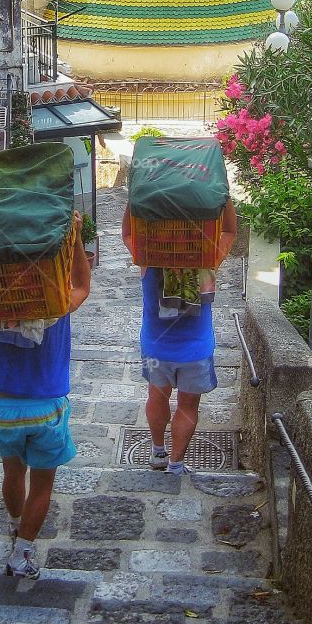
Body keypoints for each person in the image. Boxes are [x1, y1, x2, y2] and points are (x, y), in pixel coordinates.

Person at [0, 212, 92, 580]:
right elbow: (82, 285)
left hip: (1, 408)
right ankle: (22, 553)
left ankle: (14, 526)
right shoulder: (56, 305)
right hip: (46, 407)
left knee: (13, 471)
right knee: (42, 483)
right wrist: (72, 237)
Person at [122, 199, 237, 476]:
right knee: (188, 406)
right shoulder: (207, 259)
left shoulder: (148, 257)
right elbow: (230, 231)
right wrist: (224, 198)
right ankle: (175, 465)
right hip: (195, 351)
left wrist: (134, 199)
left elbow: (127, 233)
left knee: (156, 396)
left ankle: (158, 451)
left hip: (156, 347)